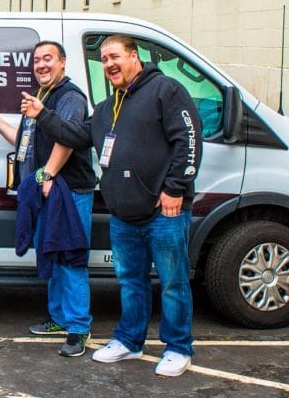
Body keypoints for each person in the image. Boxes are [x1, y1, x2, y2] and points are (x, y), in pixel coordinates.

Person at [88, 35, 202, 377]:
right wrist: (42, 115)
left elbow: (189, 138)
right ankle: (129, 341)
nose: (109, 64)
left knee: (172, 282)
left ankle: (179, 347)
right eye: (104, 59)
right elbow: (79, 134)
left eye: (114, 56)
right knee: (130, 282)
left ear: (134, 57)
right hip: (124, 216)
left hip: (164, 212)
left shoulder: (165, 90)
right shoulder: (109, 107)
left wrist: (174, 188)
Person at [0, 41, 97, 358]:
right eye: (37, 60)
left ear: (63, 63)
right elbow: (24, 142)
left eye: (48, 59)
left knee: (69, 258)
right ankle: (58, 318)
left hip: (67, 191)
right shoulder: (40, 96)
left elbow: (67, 137)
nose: (42, 65)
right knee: (53, 256)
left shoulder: (69, 96)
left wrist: (48, 175)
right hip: (48, 189)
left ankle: (78, 328)